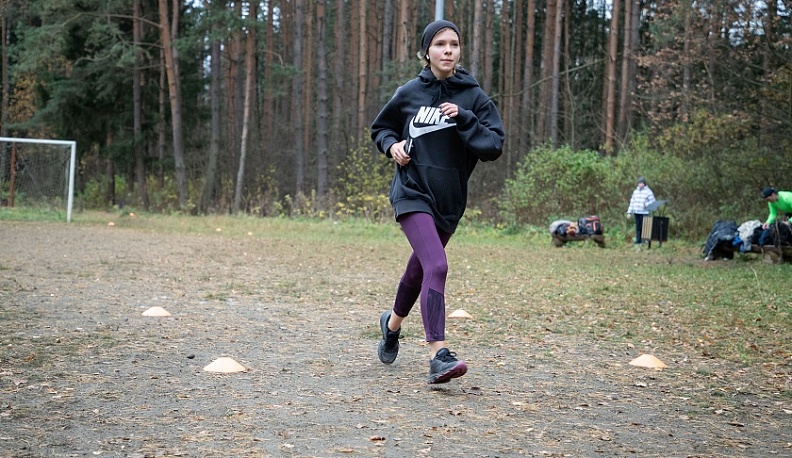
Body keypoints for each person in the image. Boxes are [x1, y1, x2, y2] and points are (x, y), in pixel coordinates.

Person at [370, 19, 504, 384]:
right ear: (427, 51)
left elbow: (494, 145)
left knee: (420, 270)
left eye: (454, 44)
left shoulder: (473, 97)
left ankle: (392, 324)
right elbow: (381, 128)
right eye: (441, 44)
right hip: (412, 193)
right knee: (438, 265)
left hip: (449, 201)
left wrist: (466, 118)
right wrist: (392, 146)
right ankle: (438, 354)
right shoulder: (409, 93)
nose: (448, 50)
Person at [625, 177, 656, 244]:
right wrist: (629, 212)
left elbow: (653, 201)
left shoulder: (648, 192)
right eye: (639, 183)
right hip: (636, 211)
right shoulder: (635, 192)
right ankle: (638, 240)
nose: (640, 184)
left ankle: (644, 240)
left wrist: (646, 204)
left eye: (641, 183)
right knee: (638, 227)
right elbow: (632, 202)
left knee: (644, 227)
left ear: (644, 184)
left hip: (644, 212)